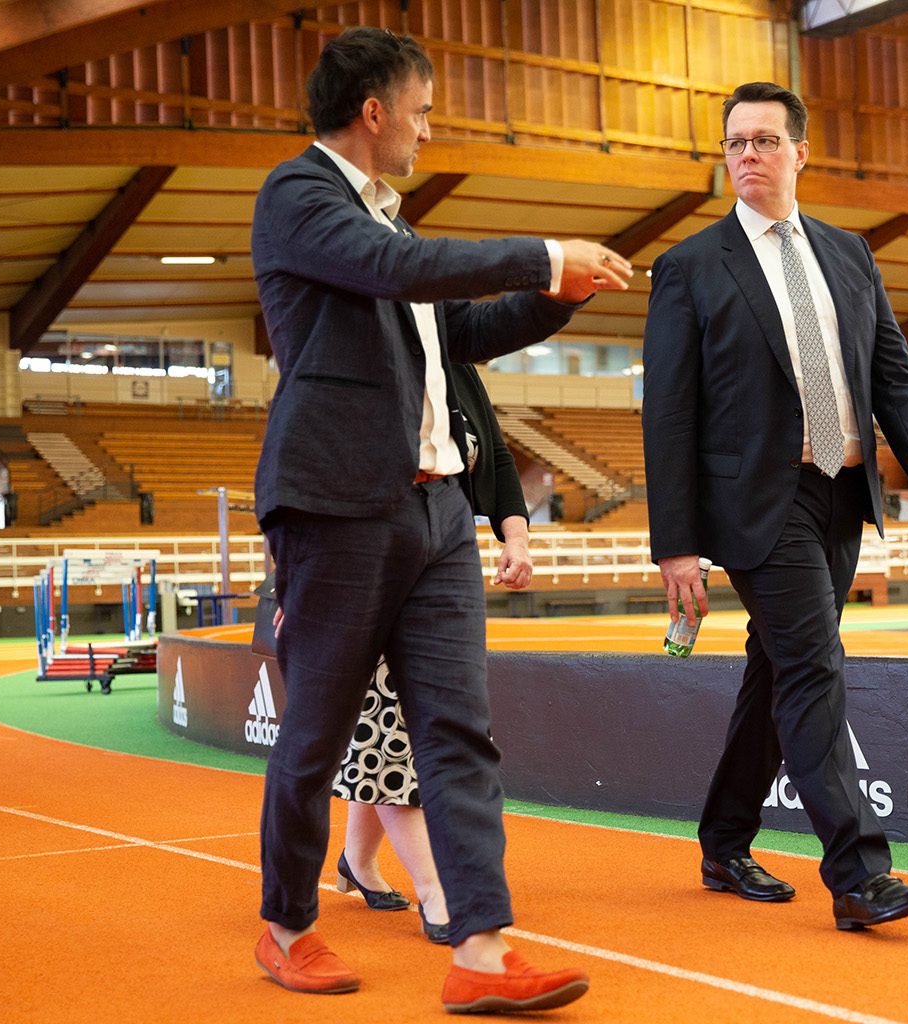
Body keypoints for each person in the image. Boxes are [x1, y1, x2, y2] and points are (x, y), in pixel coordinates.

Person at [249, 26, 630, 1011]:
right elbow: (396, 275)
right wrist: (539, 251)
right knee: (317, 733)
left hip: (439, 511)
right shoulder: (300, 199)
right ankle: (288, 924)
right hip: (337, 506)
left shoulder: (394, 229)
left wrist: (556, 295)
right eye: (420, 111)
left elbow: (460, 331)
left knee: (458, 732)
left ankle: (482, 948)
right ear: (373, 112)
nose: (427, 130)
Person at [642, 81, 908, 932]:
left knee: (778, 668)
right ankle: (859, 875)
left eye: (764, 140)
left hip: (841, 495)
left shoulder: (850, 253)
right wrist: (676, 543)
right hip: (756, 504)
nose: (747, 153)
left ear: (799, 153)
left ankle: (723, 839)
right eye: (735, 142)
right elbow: (668, 412)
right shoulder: (688, 268)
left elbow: (892, 374)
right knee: (815, 665)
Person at [330, 362, 534, 948]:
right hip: (367, 555)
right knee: (385, 725)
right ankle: (437, 891)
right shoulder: (363, 348)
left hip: (443, 551)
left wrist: (515, 537)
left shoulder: (458, 367)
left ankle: (356, 861)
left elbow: (493, 455)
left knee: (400, 723)